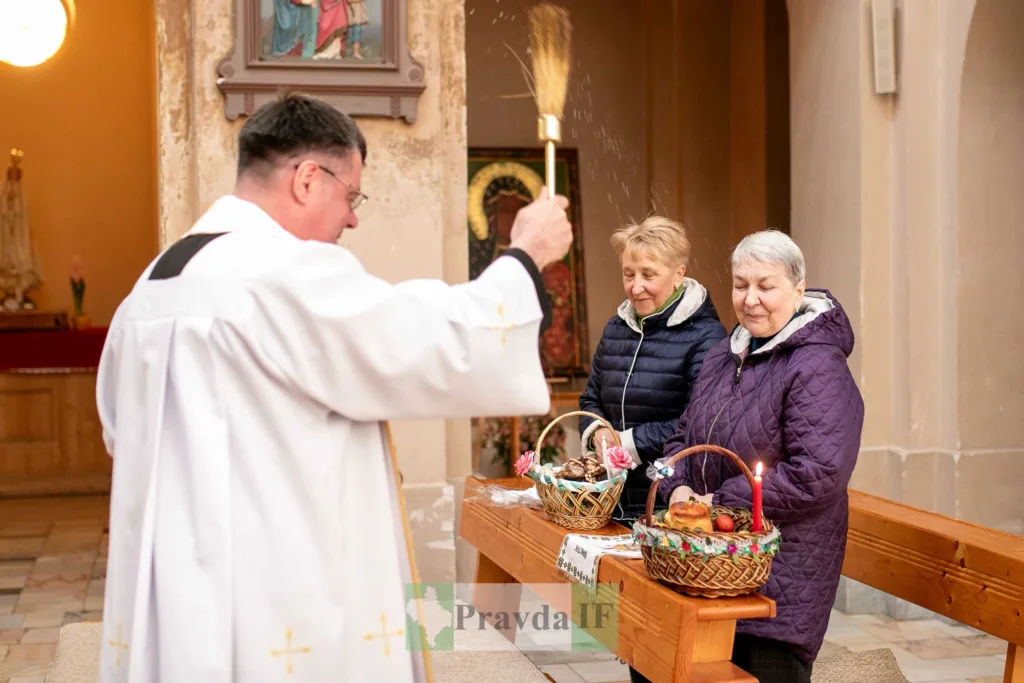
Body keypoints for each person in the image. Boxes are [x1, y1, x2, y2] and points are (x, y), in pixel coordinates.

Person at [96, 93, 572, 683]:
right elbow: (430, 338)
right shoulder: (279, 272)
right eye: (352, 196)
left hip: (177, 598)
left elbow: (119, 433)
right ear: (306, 179)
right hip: (271, 597)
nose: (352, 218)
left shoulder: (151, 286)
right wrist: (526, 256)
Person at [653, 230, 864, 683]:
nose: (750, 300)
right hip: (710, 568)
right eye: (740, 284)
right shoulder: (722, 357)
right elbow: (681, 438)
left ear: (798, 289)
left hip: (779, 579)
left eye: (765, 286)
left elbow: (818, 474)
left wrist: (720, 503)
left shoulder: (816, 365)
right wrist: (678, 486)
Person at [577, 216, 726, 521]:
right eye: (628, 274)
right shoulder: (616, 328)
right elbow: (590, 399)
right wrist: (598, 432)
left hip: (668, 501)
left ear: (678, 274)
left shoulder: (706, 335)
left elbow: (698, 422)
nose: (636, 287)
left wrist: (627, 443)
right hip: (608, 499)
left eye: (648, 274)